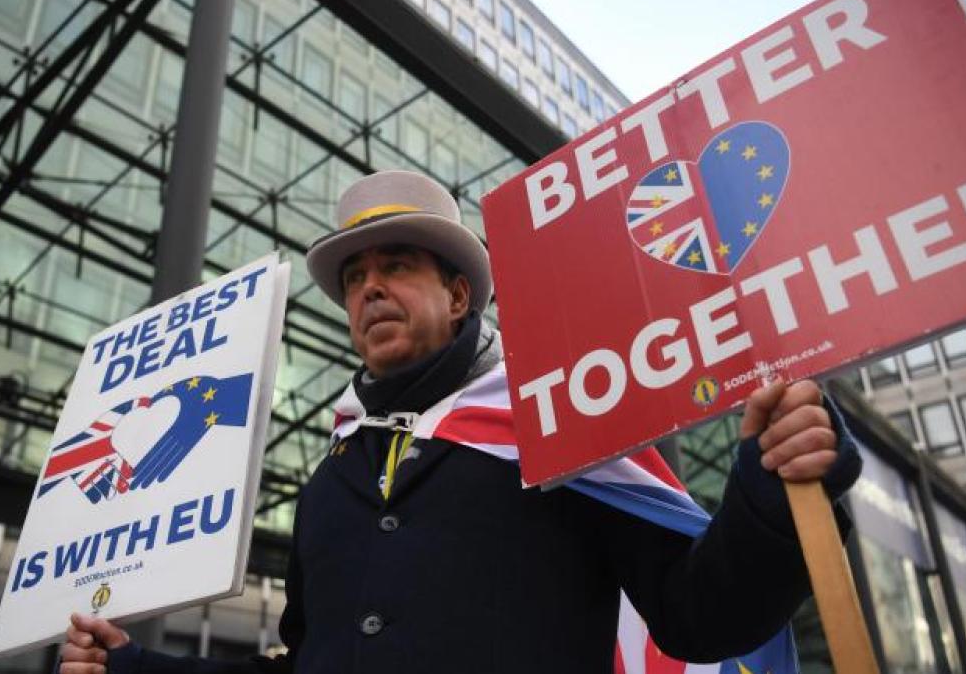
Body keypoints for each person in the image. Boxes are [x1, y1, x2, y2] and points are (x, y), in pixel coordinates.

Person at [59, 170, 861, 674]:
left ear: (458, 296)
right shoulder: (328, 485)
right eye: (354, 279)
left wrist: (774, 483)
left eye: (396, 266)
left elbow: (697, 615)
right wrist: (136, 668)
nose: (369, 289)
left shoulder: (559, 428)